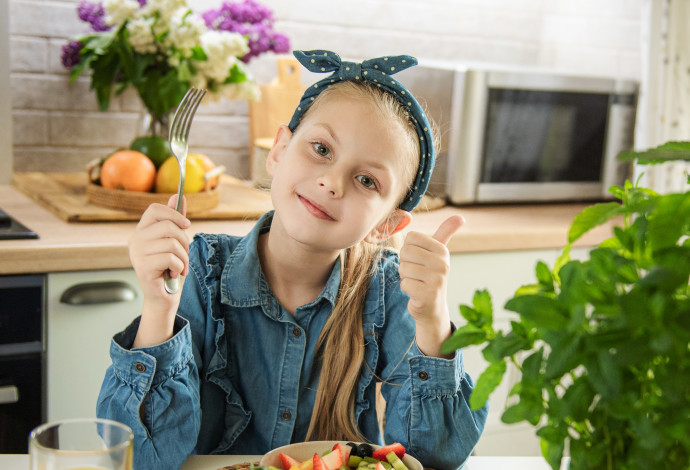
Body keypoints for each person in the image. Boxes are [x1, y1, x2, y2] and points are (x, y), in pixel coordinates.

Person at [97, 50, 488, 470]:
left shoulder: (390, 291)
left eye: (366, 180)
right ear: (280, 150)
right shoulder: (198, 269)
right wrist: (158, 309)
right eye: (321, 148)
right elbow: (141, 459)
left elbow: (434, 460)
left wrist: (433, 324)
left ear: (387, 225)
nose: (331, 182)